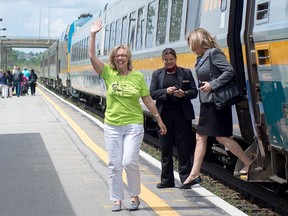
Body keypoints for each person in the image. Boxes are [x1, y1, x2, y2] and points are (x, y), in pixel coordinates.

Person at [88, 20, 167, 212]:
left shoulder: (137, 77)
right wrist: (93, 35)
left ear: (128, 58)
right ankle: (117, 199)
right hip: (112, 125)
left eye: (123, 55)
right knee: (114, 164)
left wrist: (158, 119)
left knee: (129, 161)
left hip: (133, 125)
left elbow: (147, 100)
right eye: (118, 55)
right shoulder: (108, 73)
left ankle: (134, 196)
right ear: (113, 58)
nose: (121, 58)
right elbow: (91, 57)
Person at [180, 28, 252, 189]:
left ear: (199, 41)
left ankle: (249, 163)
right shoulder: (200, 58)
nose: (190, 46)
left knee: (222, 137)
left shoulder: (213, 53)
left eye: (191, 42)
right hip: (208, 103)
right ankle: (194, 174)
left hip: (216, 103)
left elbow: (229, 71)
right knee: (200, 137)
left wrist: (212, 85)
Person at [150, 48, 198, 188]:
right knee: (165, 147)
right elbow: (152, 93)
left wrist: (184, 93)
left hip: (182, 114)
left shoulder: (186, 73)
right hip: (164, 116)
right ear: (162, 60)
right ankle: (167, 180)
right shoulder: (157, 74)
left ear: (175, 58)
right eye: (166, 60)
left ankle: (185, 179)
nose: (169, 62)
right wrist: (166, 91)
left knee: (184, 147)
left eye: (171, 59)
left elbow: (194, 92)